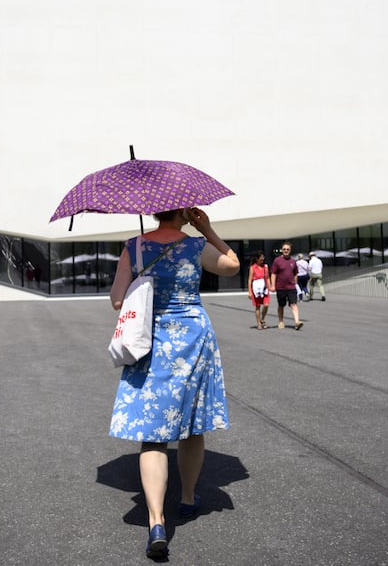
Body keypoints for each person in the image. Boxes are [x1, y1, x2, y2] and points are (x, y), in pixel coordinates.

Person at [108, 206, 239, 559]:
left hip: (150, 340)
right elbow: (232, 265)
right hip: (193, 337)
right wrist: (208, 229)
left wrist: (143, 282)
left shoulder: (133, 247)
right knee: (192, 425)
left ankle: (155, 521)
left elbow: (118, 300)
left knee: (153, 434)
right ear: (182, 211)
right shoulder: (195, 246)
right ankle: (186, 498)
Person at [269, 242, 303, 330]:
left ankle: (297, 322)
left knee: (294, 304)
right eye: (284, 249)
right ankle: (280, 321)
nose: (286, 251)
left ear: (290, 250)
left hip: (291, 287)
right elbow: (273, 274)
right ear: (282, 250)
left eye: (287, 249)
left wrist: (295, 283)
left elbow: (295, 274)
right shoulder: (277, 261)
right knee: (281, 305)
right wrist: (273, 286)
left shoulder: (293, 261)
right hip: (280, 287)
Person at [247, 251, 271, 329]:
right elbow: (250, 280)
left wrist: (269, 286)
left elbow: (267, 277)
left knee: (266, 305)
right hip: (256, 289)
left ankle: (262, 319)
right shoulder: (253, 267)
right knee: (258, 306)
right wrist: (250, 292)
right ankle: (258, 323)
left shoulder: (265, 267)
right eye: (261, 259)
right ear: (257, 259)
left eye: (263, 258)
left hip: (264, 289)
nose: (262, 260)